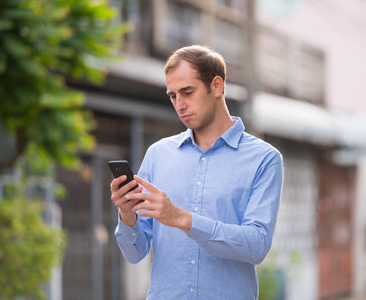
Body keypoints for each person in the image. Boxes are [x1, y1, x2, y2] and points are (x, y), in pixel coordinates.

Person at [110, 45, 283, 299]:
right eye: (173, 96)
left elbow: (256, 245)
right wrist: (126, 214)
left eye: (187, 92)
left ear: (216, 86)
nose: (179, 105)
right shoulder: (158, 155)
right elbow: (135, 253)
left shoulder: (264, 159)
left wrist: (183, 219)